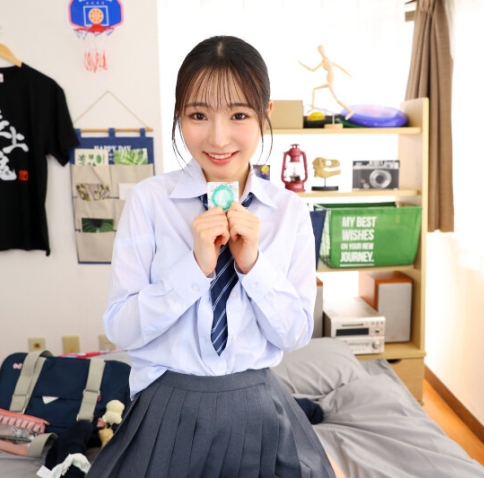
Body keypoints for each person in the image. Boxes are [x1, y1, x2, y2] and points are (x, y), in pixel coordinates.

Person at [89, 35, 337, 477]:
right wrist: (196, 268)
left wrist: (252, 266)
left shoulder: (289, 211)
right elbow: (121, 329)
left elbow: (296, 333)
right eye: (198, 115)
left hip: (260, 406)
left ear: (264, 114)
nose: (218, 138)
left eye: (238, 115)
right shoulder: (149, 201)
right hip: (165, 406)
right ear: (179, 116)